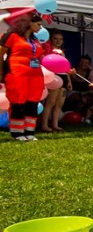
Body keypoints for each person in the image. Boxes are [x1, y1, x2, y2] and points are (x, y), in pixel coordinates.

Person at [0, 11, 47, 141]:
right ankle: (17, 132)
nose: (40, 27)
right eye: (38, 24)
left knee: (32, 103)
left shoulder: (34, 39)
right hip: (17, 73)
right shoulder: (11, 36)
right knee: (18, 102)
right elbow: (1, 53)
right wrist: (1, 71)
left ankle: (29, 132)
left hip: (35, 74)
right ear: (29, 23)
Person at [39, 29, 72, 133]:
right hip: (54, 78)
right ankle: (44, 125)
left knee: (59, 103)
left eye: (60, 39)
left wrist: (69, 80)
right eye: (55, 39)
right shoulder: (47, 51)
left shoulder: (62, 52)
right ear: (50, 39)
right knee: (50, 102)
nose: (58, 41)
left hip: (63, 77)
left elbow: (66, 68)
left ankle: (55, 124)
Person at [67, 54, 93, 124]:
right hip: (73, 91)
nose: (83, 64)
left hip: (85, 91)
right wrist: (84, 80)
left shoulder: (89, 71)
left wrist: (91, 70)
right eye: (82, 62)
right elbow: (74, 79)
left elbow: (90, 80)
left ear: (89, 64)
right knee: (83, 99)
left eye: (86, 63)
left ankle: (86, 118)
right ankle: (77, 115)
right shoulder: (74, 70)